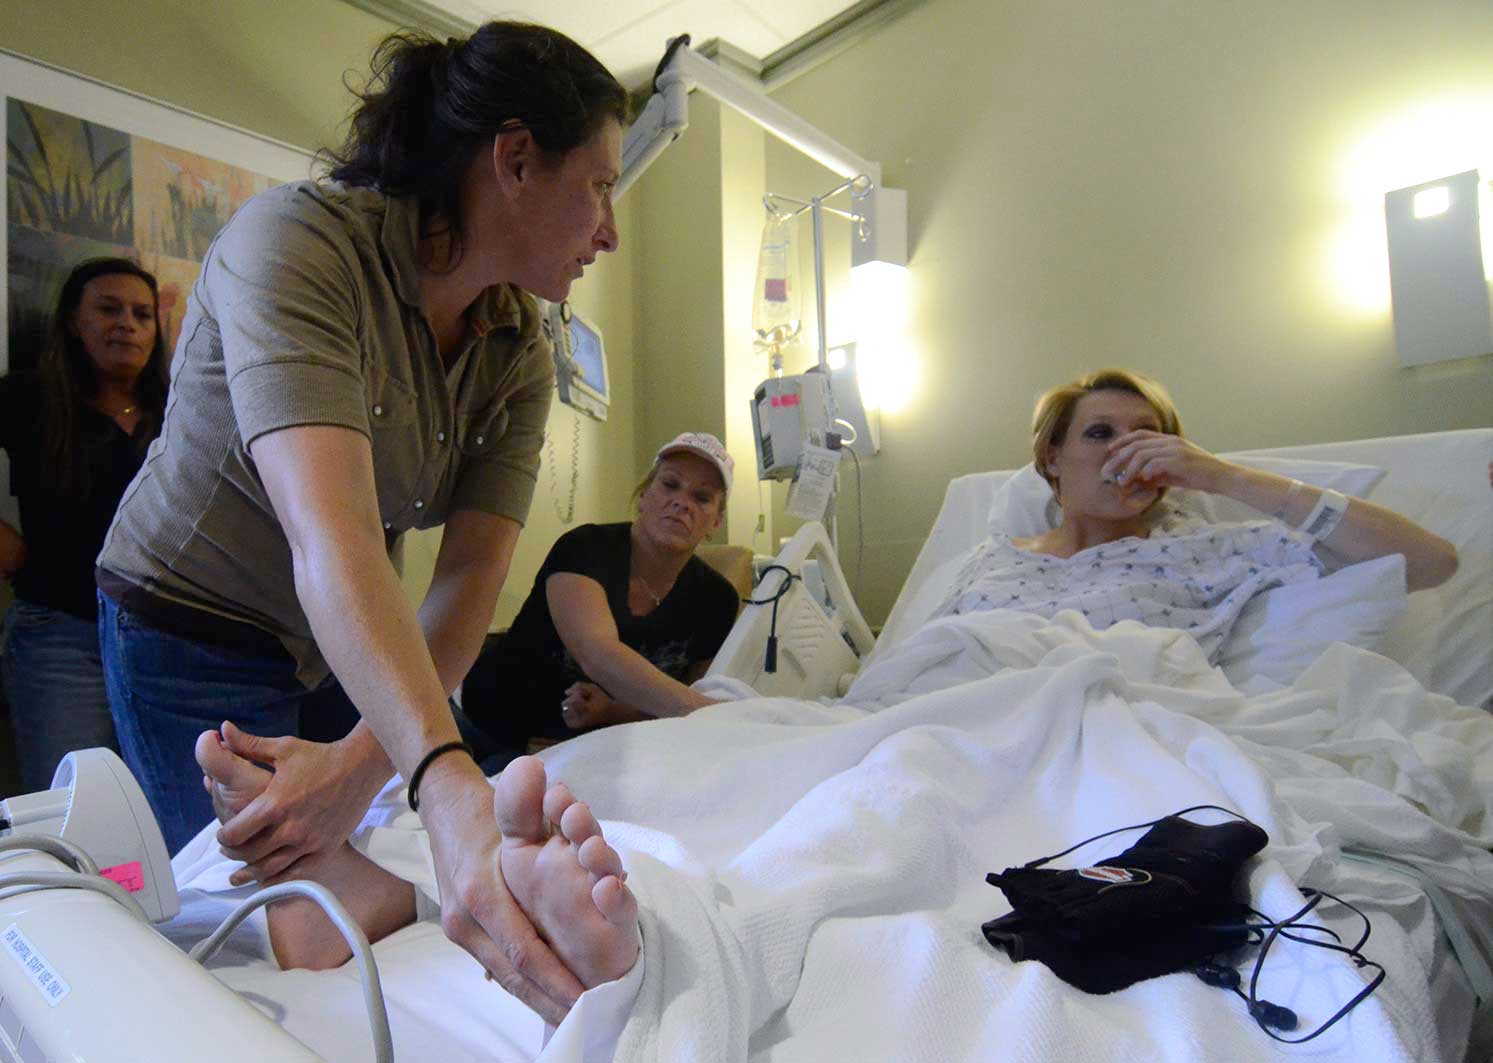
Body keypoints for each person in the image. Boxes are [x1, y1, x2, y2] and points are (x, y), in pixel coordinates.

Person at [94, 21, 626, 1022]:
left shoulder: (516, 349)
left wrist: (364, 765)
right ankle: (419, 902)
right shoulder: (297, 249)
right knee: (291, 905)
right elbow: (329, 537)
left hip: (336, 632)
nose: (609, 230)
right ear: (514, 160)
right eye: (599, 186)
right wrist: (442, 781)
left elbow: (468, 583)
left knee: (364, 822)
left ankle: (460, 898)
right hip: (186, 622)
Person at [930, 368, 1458, 654]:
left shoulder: (1207, 550)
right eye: (1100, 433)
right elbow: (920, 664)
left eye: (1147, 435)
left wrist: (1224, 477)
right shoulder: (990, 559)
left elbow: (1430, 562)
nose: (1126, 450)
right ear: (1051, 458)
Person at [461, 432, 740, 764]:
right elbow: (598, 654)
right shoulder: (584, 549)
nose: (682, 503)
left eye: (702, 497)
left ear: (716, 521)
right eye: (670, 485)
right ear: (644, 496)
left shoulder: (717, 600)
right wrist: (717, 717)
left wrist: (616, 712)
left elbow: (689, 696)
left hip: (599, 750)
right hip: (492, 729)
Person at [0, 258, 169, 792]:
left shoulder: (177, 408)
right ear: (74, 321)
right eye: (109, 309)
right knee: (77, 805)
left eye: (143, 314)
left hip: (167, 639)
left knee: (164, 809)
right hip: (63, 638)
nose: (128, 324)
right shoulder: (29, 398)